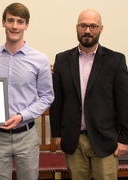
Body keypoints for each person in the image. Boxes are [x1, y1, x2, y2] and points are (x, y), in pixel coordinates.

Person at [50, 9, 128, 180]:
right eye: (83, 26)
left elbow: (124, 102)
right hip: (73, 140)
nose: (87, 31)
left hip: (105, 141)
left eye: (93, 26)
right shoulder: (62, 60)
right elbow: (57, 100)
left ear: (101, 29)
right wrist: (56, 133)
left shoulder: (116, 60)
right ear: (77, 27)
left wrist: (124, 139)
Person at [0, 3, 54, 180]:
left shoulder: (39, 59)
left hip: (26, 135)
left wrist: (22, 115)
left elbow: (47, 96)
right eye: (10, 20)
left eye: (20, 21)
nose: (15, 26)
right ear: (3, 22)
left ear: (26, 25)